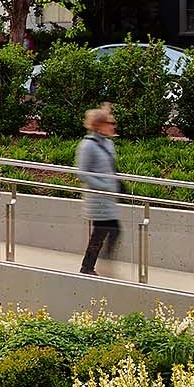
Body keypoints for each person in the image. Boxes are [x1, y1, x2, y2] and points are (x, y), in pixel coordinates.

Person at [77, 104, 122, 275]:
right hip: (98, 199)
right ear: (99, 125)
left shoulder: (109, 144)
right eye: (110, 123)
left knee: (107, 231)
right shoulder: (87, 145)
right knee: (105, 231)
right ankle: (88, 267)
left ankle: (90, 266)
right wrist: (103, 186)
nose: (113, 126)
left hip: (108, 198)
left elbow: (110, 168)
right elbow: (82, 173)